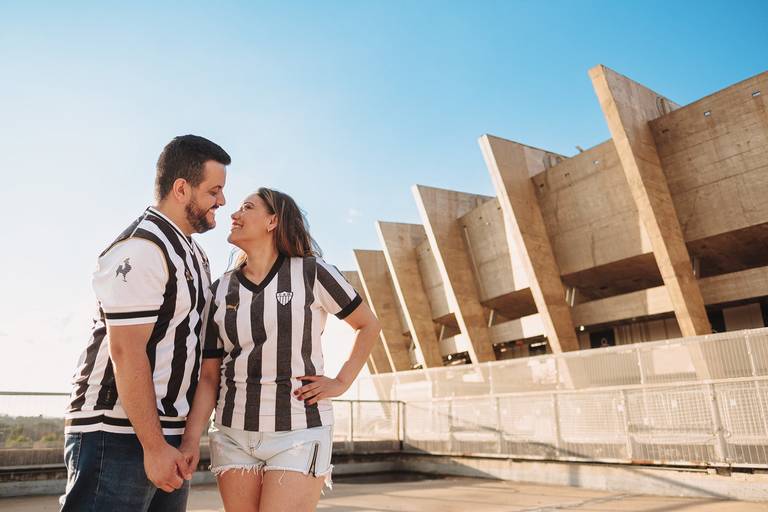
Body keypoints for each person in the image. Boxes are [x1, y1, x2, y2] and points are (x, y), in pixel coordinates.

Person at [180, 188, 381, 512]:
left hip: (299, 432)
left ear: (272, 221)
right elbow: (209, 377)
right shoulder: (221, 289)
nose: (234, 214)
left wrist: (341, 382)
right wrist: (191, 440)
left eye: (247, 207)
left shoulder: (312, 272)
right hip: (232, 435)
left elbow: (368, 324)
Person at [60, 135, 231, 512]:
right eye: (214, 190)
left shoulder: (195, 253)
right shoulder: (143, 247)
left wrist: (186, 439)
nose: (221, 201)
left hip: (168, 433)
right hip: (116, 431)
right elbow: (126, 350)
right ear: (181, 189)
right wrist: (153, 447)